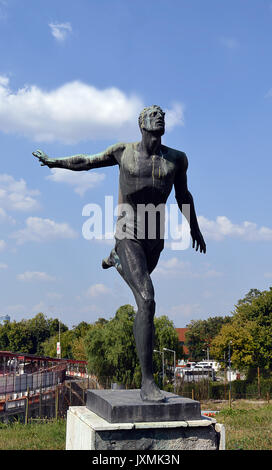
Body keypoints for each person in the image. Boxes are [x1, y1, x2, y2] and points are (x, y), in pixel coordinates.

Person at [33, 105, 206, 402]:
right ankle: (147, 382)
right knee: (147, 301)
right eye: (152, 114)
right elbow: (86, 161)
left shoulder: (177, 159)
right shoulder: (122, 152)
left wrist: (194, 228)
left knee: (143, 297)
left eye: (162, 114)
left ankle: (115, 259)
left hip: (155, 238)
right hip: (129, 233)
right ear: (141, 124)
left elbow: (183, 195)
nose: (159, 117)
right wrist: (54, 162)